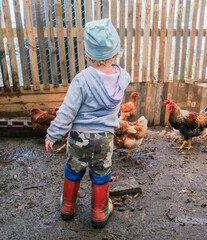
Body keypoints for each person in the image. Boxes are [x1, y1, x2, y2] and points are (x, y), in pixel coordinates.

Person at [45, 18, 130, 228]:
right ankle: (99, 213)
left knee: (73, 170)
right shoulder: (123, 78)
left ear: (88, 54)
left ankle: (67, 207)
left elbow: (66, 112)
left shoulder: (82, 80)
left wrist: (52, 134)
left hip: (79, 138)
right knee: (101, 173)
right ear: (116, 51)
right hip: (105, 138)